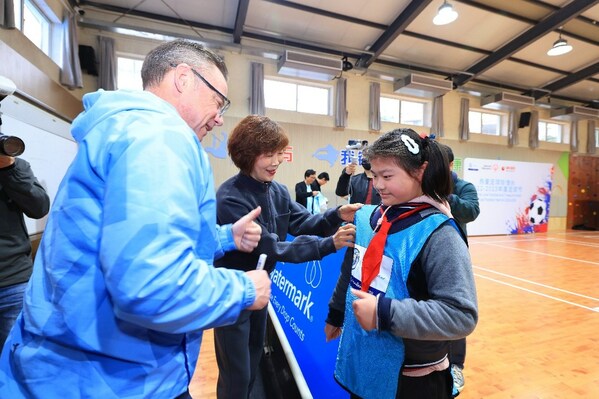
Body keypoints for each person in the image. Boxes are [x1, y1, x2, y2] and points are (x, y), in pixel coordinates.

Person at [0, 39, 271, 399]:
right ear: (183, 78)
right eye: (218, 101)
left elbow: (121, 234)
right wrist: (243, 290)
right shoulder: (161, 136)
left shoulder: (124, 129)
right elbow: (151, 286)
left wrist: (224, 238)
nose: (219, 117)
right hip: (115, 380)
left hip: (71, 368)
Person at [214, 115, 361, 399]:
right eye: (267, 155)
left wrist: (336, 214)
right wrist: (328, 245)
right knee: (236, 372)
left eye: (278, 154)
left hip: (260, 292)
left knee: (254, 357)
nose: (276, 161)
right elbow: (272, 247)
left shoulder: (278, 191)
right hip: (232, 294)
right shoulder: (230, 197)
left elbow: (305, 222)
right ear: (247, 154)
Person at [325, 128, 478, 399]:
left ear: (419, 172)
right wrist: (336, 313)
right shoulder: (368, 218)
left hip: (413, 380)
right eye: (374, 175)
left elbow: (461, 314)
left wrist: (386, 313)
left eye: (387, 176)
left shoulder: (439, 234)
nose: (379, 185)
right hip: (363, 363)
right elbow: (352, 270)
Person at [0, 155, 50, 354]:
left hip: (14, 282)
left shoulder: (14, 165)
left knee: (20, 358)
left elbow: (39, 208)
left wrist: (8, 171)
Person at [442, 144, 480, 396]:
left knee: (455, 310)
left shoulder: (463, 187)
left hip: (453, 258)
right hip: (422, 255)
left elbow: (471, 211)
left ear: (449, 165)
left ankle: (455, 364)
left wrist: (443, 194)